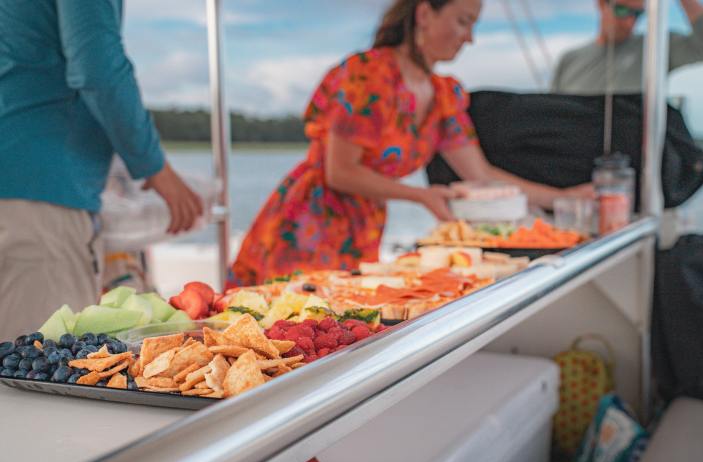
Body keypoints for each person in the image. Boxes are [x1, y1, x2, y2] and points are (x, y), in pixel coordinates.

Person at [228, 0, 593, 288]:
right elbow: (339, 173)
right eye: (464, 21)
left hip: (366, 226)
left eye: (475, 25)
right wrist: (421, 196)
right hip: (308, 221)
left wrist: (563, 199)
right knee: (290, 330)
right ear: (424, 14)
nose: (471, 38)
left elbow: (481, 174)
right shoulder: (366, 75)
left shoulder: (442, 95)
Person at [0, 0, 204, 341]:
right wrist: (156, 168)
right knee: (48, 372)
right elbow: (97, 65)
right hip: (42, 193)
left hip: (22, 187)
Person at [552, 0, 703, 94]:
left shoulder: (655, 49)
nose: (629, 22)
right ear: (602, 5)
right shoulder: (568, 59)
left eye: (637, 14)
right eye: (622, 10)